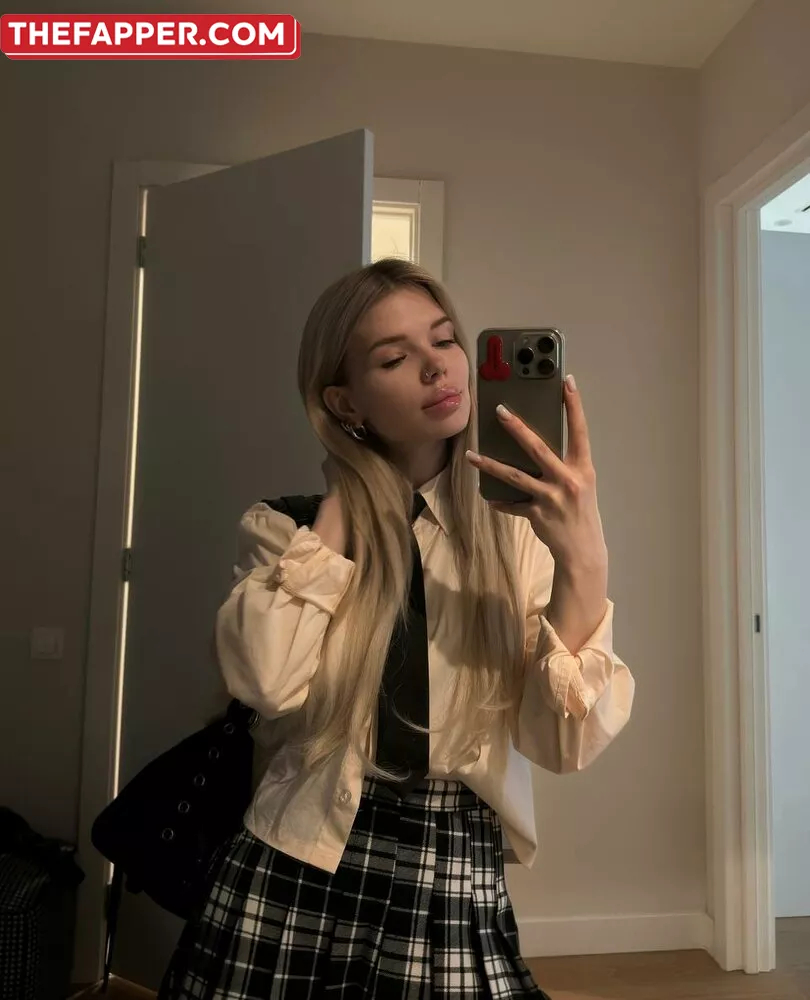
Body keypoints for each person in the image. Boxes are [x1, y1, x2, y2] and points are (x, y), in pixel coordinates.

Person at [159, 258, 635, 999]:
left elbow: (560, 744)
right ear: (345, 401)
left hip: (452, 857)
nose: (436, 367)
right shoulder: (287, 532)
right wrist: (351, 485)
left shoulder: (518, 537)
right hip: (298, 854)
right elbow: (266, 683)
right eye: (393, 358)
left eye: (444, 341)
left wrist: (586, 558)